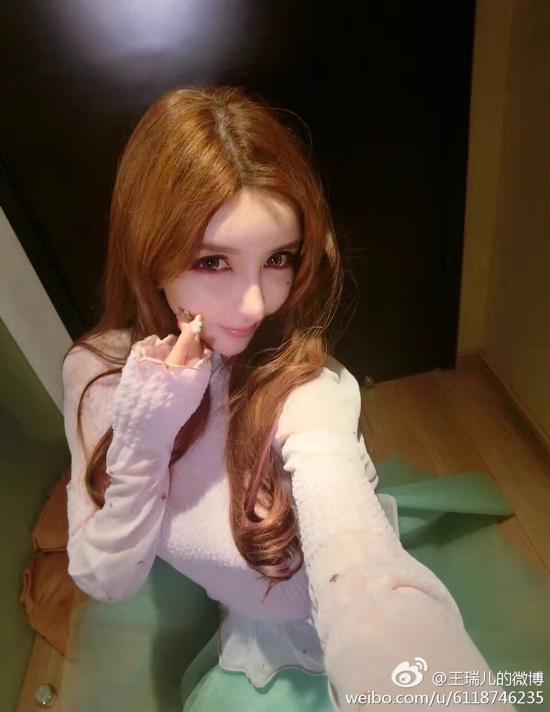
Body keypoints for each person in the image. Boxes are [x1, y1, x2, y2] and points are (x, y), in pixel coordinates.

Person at [60, 86, 520, 711]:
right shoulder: (97, 373)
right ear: (148, 252)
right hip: (249, 618)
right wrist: (147, 433)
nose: (256, 304)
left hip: (327, 636)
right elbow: (106, 577)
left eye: (278, 259)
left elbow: (358, 565)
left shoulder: (309, 387)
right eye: (213, 262)